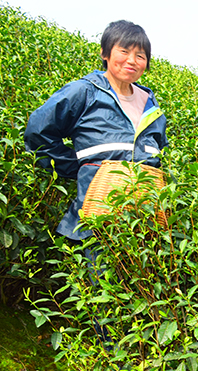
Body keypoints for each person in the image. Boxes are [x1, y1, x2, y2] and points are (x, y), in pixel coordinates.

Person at [24, 20, 168, 243]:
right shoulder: (84, 92)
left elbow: (159, 156)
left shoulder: (152, 106)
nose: (132, 60)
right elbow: (38, 132)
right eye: (124, 51)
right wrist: (78, 169)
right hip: (96, 222)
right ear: (105, 53)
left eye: (140, 55)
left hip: (145, 228)